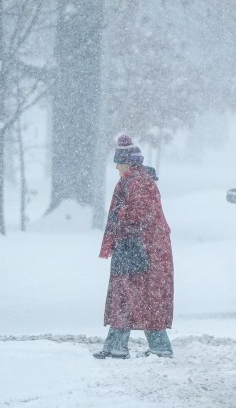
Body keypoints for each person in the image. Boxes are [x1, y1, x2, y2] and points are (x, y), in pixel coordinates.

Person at [93, 134, 174, 359]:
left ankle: (152, 348)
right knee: (137, 297)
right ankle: (126, 346)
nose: (116, 166)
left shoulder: (137, 181)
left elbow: (139, 214)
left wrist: (120, 216)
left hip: (142, 250)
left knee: (136, 296)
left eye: (119, 162)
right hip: (141, 248)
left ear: (128, 162)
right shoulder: (136, 180)